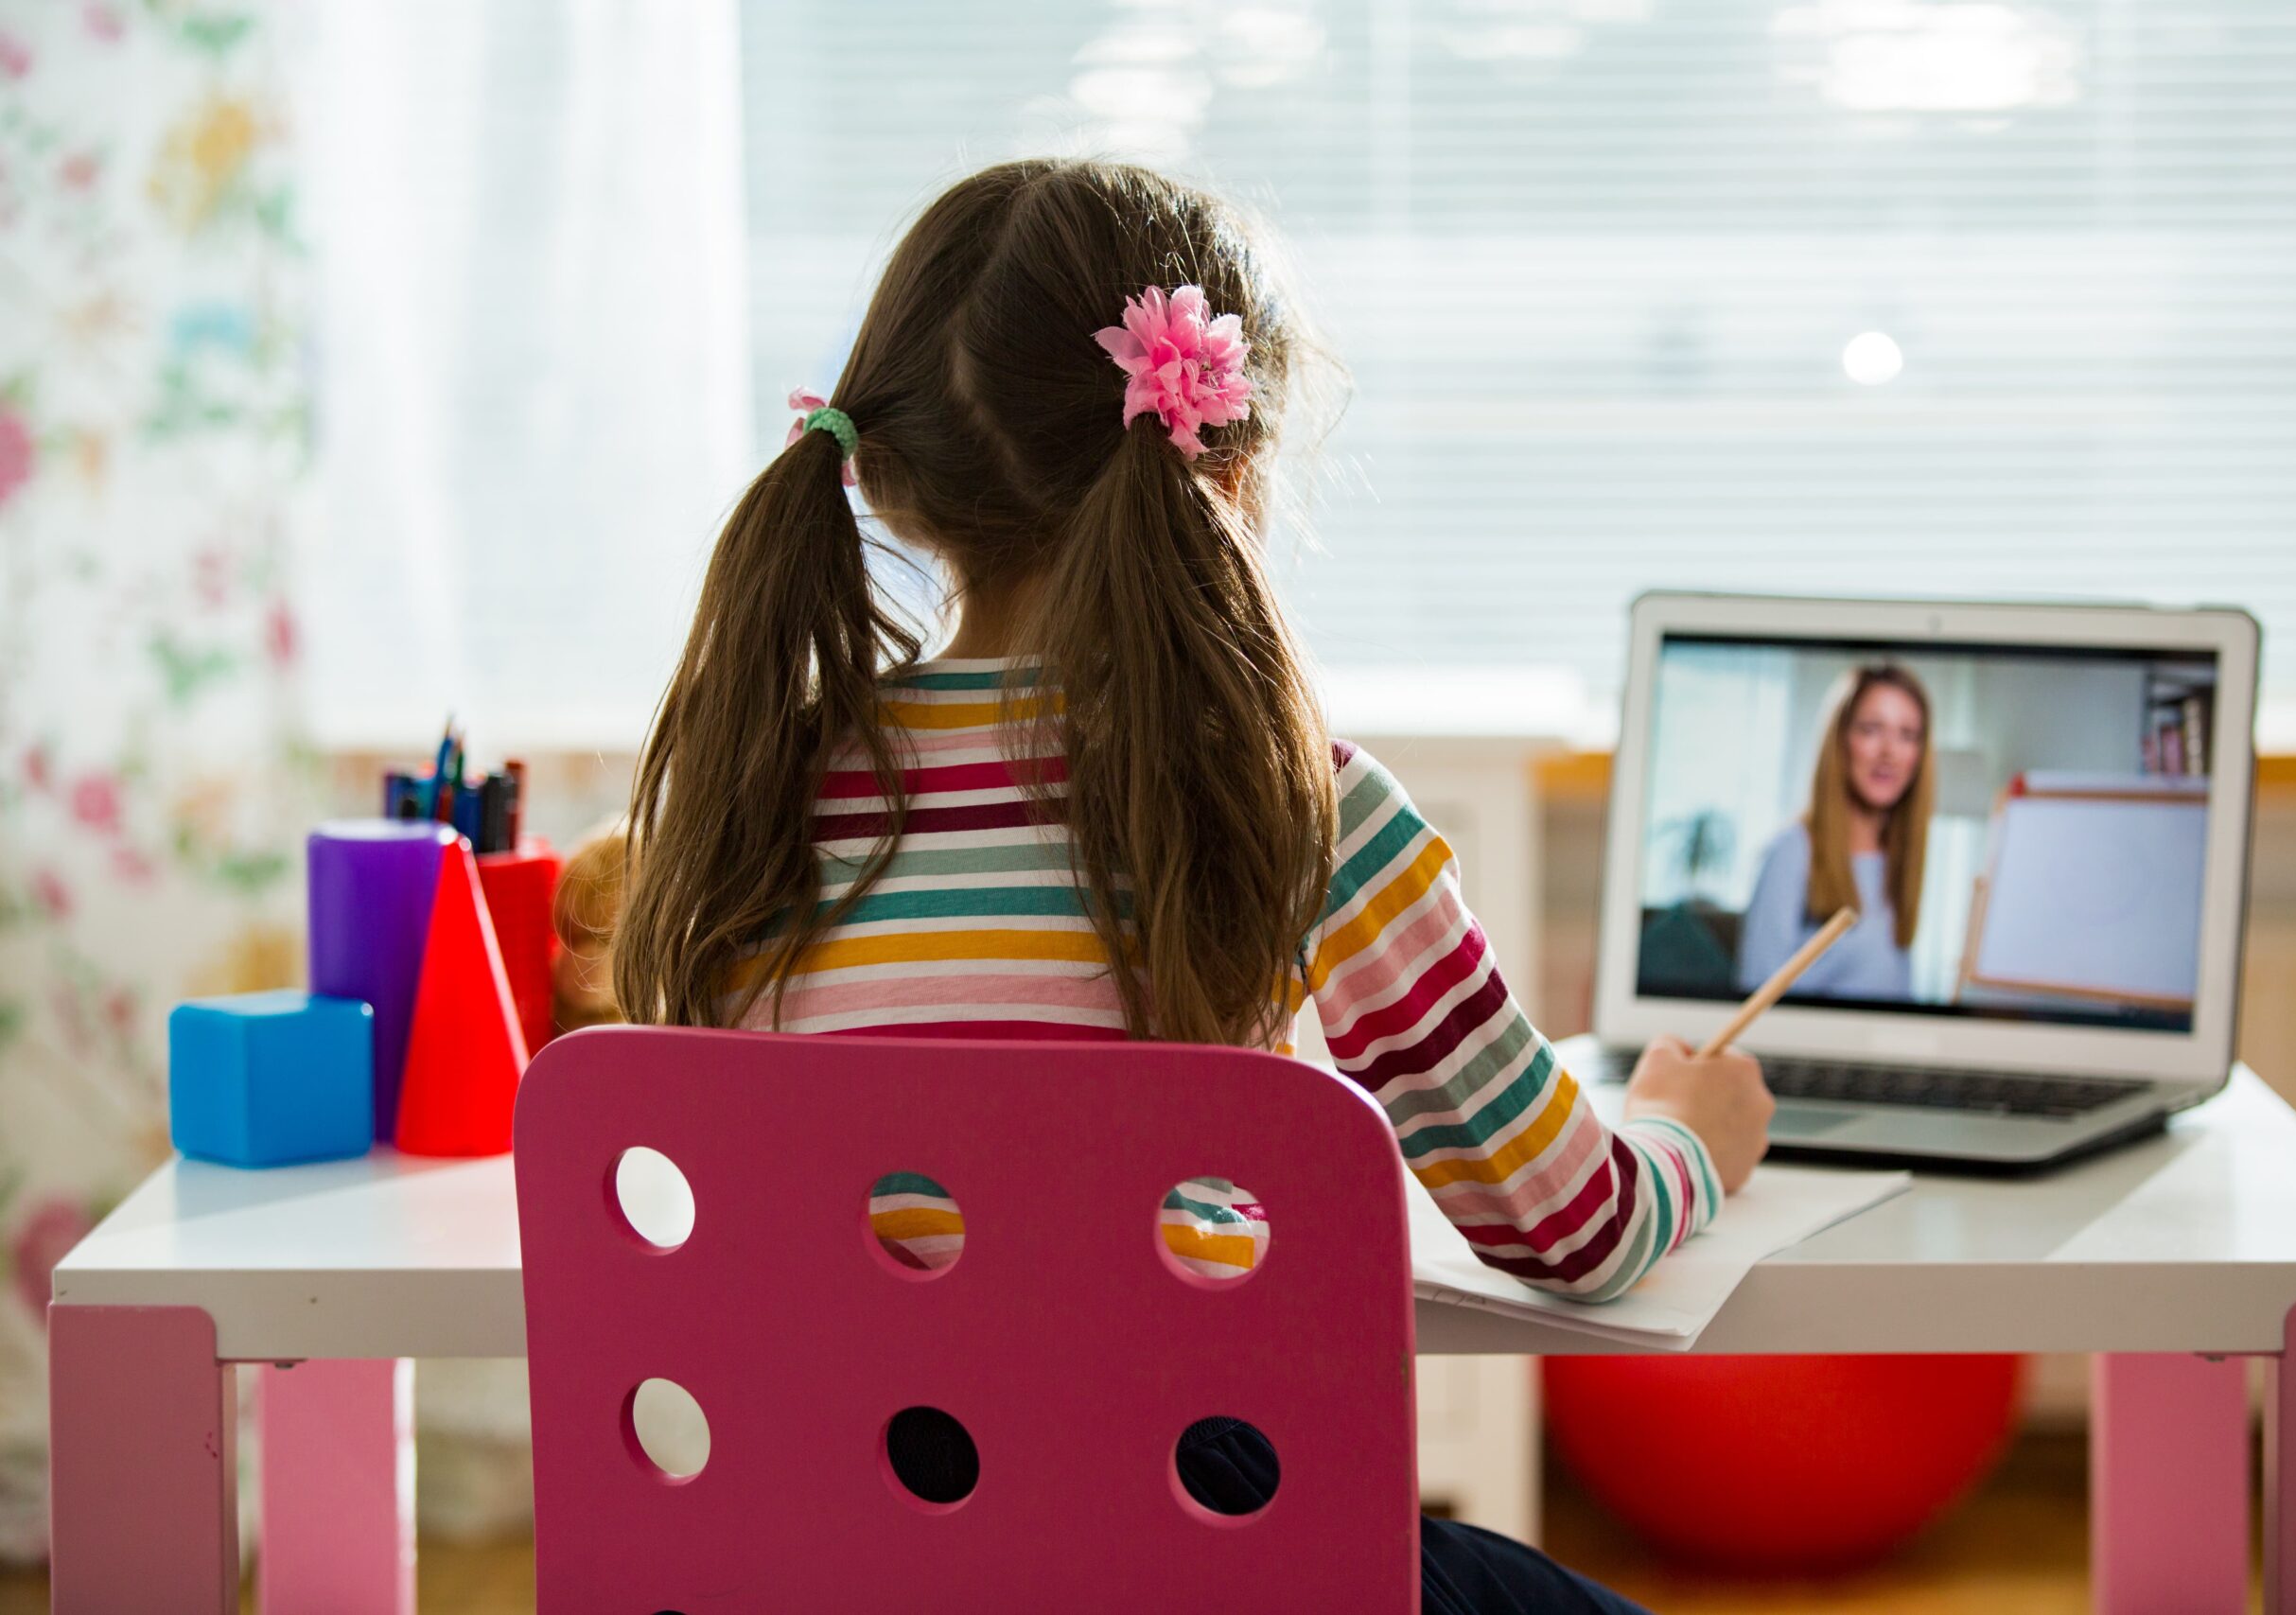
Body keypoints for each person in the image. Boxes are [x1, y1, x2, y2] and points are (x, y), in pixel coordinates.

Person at [611, 158, 1772, 1614]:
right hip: (1195, 1549)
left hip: (816, 1550)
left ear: (885, 469)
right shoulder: (1300, 799)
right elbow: (1570, 1228)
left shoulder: (751, 792)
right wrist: (1684, 1133)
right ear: (1229, 454)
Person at [1737, 664, 1936, 1000]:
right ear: (1840, 739)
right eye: (1872, 729)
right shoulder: (1790, 852)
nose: (1889, 751)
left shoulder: (1900, 860)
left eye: (1907, 735)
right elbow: (1756, 993)